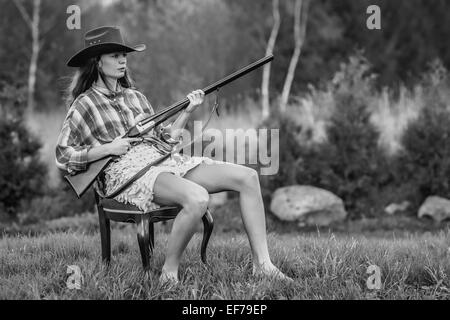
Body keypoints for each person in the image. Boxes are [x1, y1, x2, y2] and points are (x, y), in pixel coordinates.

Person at [56, 26, 292, 285]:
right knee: (198, 198)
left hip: (161, 161)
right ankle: (168, 273)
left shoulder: (135, 97)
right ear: (97, 62)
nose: (123, 60)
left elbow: (165, 142)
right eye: (114, 55)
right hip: (125, 174)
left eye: (124, 55)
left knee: (247, 176)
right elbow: (63, 155)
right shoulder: (84, 104)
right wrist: (108, 149)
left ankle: (263, 265)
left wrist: (187, 111)